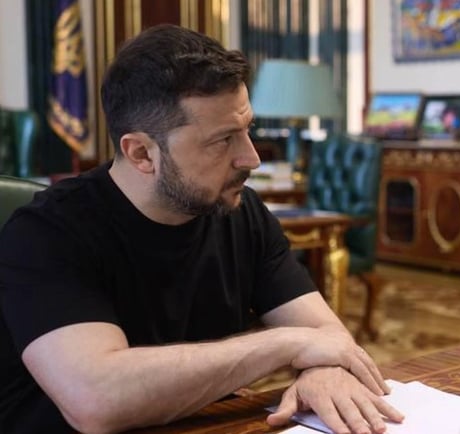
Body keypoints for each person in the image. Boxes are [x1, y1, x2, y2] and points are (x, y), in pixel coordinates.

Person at [0, 24, 403, 434]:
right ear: (141, 153)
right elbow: (96, 399)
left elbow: (326, 335)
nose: (251, 159)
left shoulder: (240, 212)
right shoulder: (46, 233)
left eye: (247, 129)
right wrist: (288, 344)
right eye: (223, 139)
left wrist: (322, 369)